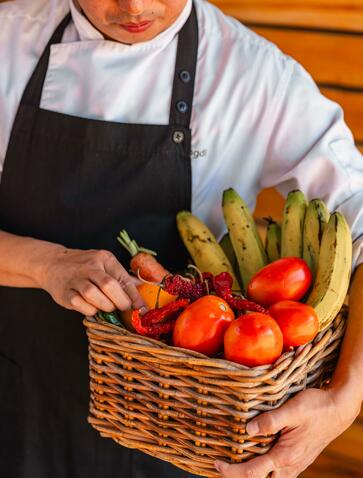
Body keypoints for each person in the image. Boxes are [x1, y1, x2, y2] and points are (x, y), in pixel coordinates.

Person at [0, 0, 362, 477]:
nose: (136, 5)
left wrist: (346, 398)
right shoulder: (8, 40)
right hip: (18, 401)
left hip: (181, 431)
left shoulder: (255, 75)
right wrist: (45, 263)